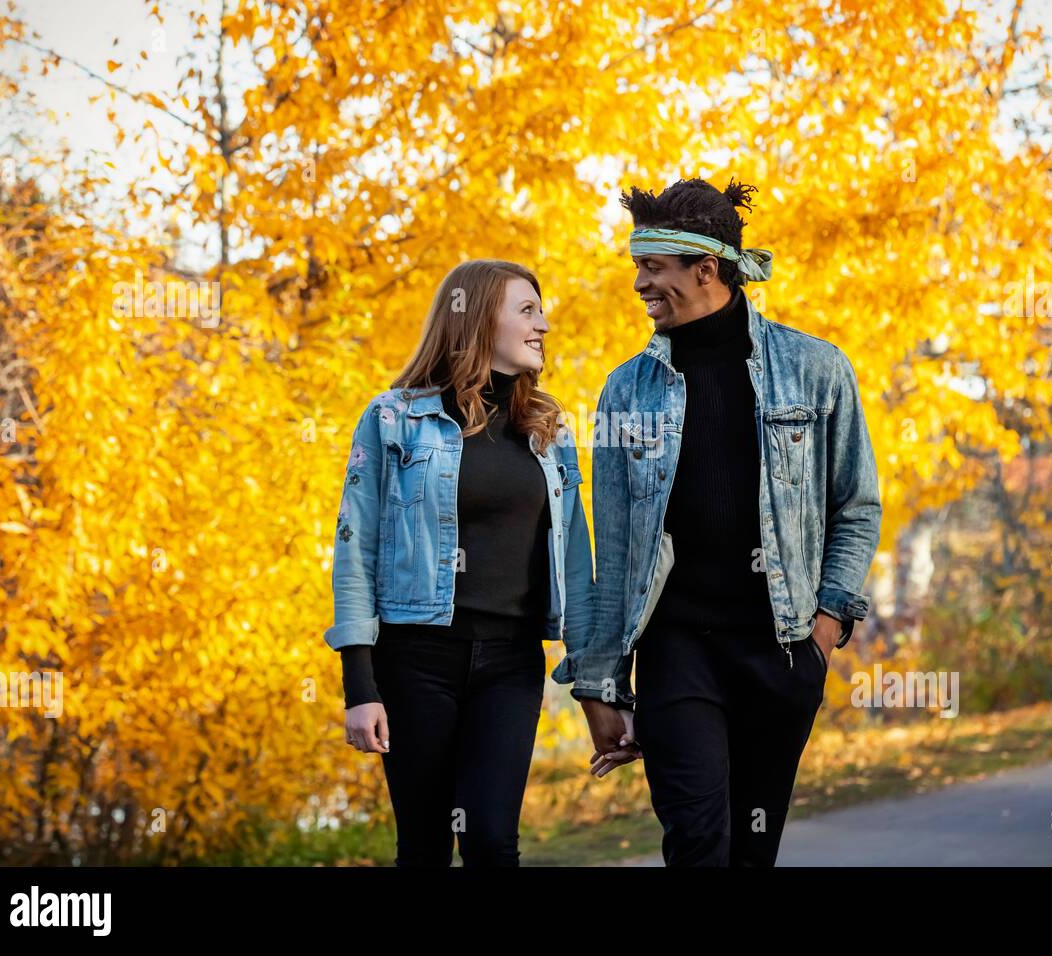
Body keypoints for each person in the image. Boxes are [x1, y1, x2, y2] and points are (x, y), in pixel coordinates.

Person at [553, 178, 882, 866]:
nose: (638, 282)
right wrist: (603, 685)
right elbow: (612, 549)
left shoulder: (816, 370)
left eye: (653, 267)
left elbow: (855, 506)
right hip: (680, 654)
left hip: (782, 651)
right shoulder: (627, 388)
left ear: (706, 269)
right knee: (698, 842)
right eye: (637, 266)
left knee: (751, 850)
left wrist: (825, 628)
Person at [323, 258, 595, 866]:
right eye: (527, 311)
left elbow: (576, 563)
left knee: (492, 842)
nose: (543, 325)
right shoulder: (392, 419)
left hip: (512, 663)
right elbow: (355, 549)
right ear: (475, 321)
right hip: (416, 659)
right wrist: (359, 686)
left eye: (540, 310)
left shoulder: (548, 430)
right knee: (423, 847)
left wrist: (596, 678)